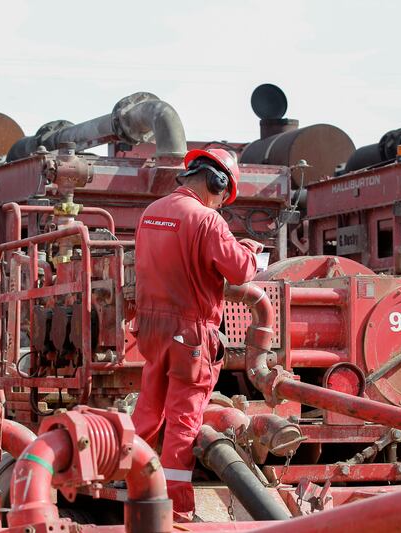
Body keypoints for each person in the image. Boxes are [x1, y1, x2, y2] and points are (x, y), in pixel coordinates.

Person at [131, 148, 263, 521]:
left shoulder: (151, 213)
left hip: (152, 329)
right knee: (183, 422)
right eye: (223, 195)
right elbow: (239, 272)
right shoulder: (207, 220)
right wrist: (250, 251)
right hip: (191, 335)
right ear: (216, 181)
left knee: (148, 412)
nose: (220, 204)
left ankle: (135, 487)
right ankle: (177, 511)